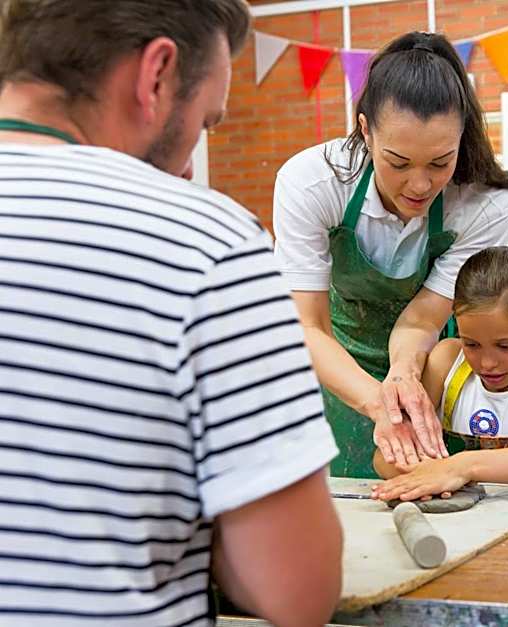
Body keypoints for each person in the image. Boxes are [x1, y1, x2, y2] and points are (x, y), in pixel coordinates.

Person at [0, 1, 342, 625]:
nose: (188, 166)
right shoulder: (208, 243)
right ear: (156, 74)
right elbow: (297, 589)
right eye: (206, 122)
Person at [273, 31, 508, 479]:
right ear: (365, 130)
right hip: (334, 360)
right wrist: (379, 401)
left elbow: (424, 319)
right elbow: (307, 325)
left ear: (463, 136)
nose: (420, 185)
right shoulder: (313, 182)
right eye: (399, 162)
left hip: (430, 363)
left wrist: (405, 375)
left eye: (441, 162)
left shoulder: (483, 202)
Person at [370, 247, 508, 502]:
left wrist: (460, 467)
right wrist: (428, 476)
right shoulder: (446, 361)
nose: (487, 363)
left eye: (505, 346)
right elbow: (383, 458)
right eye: (471, 344)